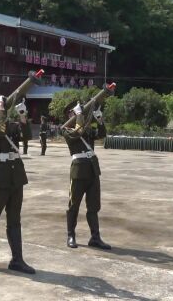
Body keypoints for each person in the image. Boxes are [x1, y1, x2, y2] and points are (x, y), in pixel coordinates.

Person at [0, 94, 35, 275]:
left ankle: (17, 260)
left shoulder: (10, 124)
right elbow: (0, 132)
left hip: (16, 175)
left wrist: (22, 116)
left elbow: (27, 136)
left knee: (14, 220)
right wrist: (2, 109)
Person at [61, 102, 111, 250]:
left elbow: (101, 134)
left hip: (92, 169)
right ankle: (71, 235)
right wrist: (79, 117)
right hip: (78, 171)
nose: (77, 113)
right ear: (69, 115)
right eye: (73, 112)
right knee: (73, 205)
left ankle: (95, 237)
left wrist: (100, 120)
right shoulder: (66, 130)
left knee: (94, 206)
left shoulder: (86, 129)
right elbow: (78, 133)